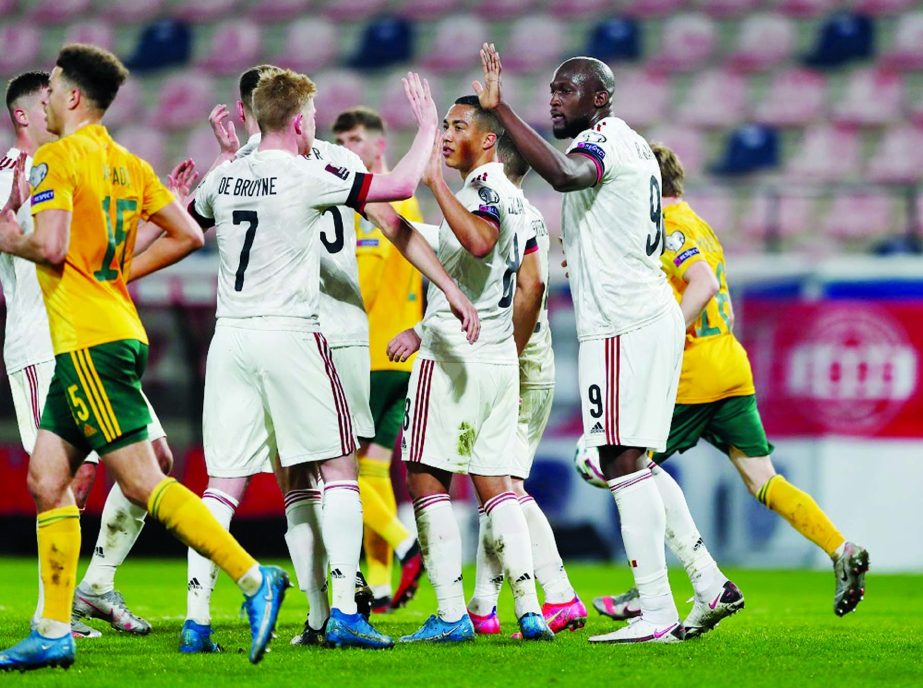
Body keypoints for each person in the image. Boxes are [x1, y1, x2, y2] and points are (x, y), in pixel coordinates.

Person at [0, 44, 288, 671]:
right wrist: (115, 272)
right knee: (48, 481)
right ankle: (53, 629)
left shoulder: (52, 161)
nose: (45, 97)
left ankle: (251, 577)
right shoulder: (128, 163)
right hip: (105, 329)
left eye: (51, 87)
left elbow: (47, 248)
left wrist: (4, 227)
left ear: (73, 96)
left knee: (141, 480)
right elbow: (186, 231)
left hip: (89, 342)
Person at [187, 66, 478, 650]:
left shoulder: (236, 171)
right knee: (330, 470)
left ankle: (203, 616)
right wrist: (425, 130)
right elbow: (395, 200)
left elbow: (186, 221)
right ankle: (332, 611)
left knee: (240, 481)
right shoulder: (314, 168)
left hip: (273, 335)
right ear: (296, 118)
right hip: (304, 334)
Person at [593, 143, 869, 624]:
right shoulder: (698, 221)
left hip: (693, 371)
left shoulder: (672, 228)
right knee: (763, 479)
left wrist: (665, 339)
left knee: (623, 466)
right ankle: (839, 548)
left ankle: (648, 590)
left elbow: (701, 284)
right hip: (730, 364)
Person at [475, 45, 697, 643]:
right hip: (639, 315)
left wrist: (502, 109)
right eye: (550, 90)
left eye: (565, 90)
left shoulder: (602, 142)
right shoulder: (628, 143)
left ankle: (656, 610)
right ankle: (698, 584)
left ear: (599, 98)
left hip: (625, 322)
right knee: (629, 461)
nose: (554, 99)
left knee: (620, 461)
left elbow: (564, 174)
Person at [0, 71, 194, 640]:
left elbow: (112, 258)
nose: (63, 109)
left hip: (96, 337)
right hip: (43, 344)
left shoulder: (74, 169)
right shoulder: (11, 175)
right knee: (66, 479)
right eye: (50, 103)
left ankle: (97, 586)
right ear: (23, 116)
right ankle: (50, 616)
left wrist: (170, 209)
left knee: (155, 460)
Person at [389, 96, 552, 644]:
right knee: (497, 486)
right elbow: (467, 254)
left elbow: (478, 243)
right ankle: (529, 609)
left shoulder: (481, 191)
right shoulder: (515, 203)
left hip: (455, 358)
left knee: (425, 475)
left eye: (458, 126)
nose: (447, 135)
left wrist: (432, 181)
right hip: (497, 361)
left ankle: (453, 614)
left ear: (487, 141)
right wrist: (385, 212)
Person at [465, 135, 587, 637]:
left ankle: (559, 596)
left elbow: (529, 288)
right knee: (496, 483)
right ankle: (482, 605)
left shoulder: (494, 204)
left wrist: (506, 356)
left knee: (504, 488)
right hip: (533, 359)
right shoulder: (530, 212)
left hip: (519, 359)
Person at [332, 107, 424, 612]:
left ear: (378, 144)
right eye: (340, 140)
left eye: (354, 139)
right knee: (373, 473)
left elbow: (360, 288)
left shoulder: (369, 207)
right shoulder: (411, 203)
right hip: (404, 360)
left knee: (340, 474)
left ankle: (406, 543)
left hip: (368, 357)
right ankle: (384, 585)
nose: (346, 148)